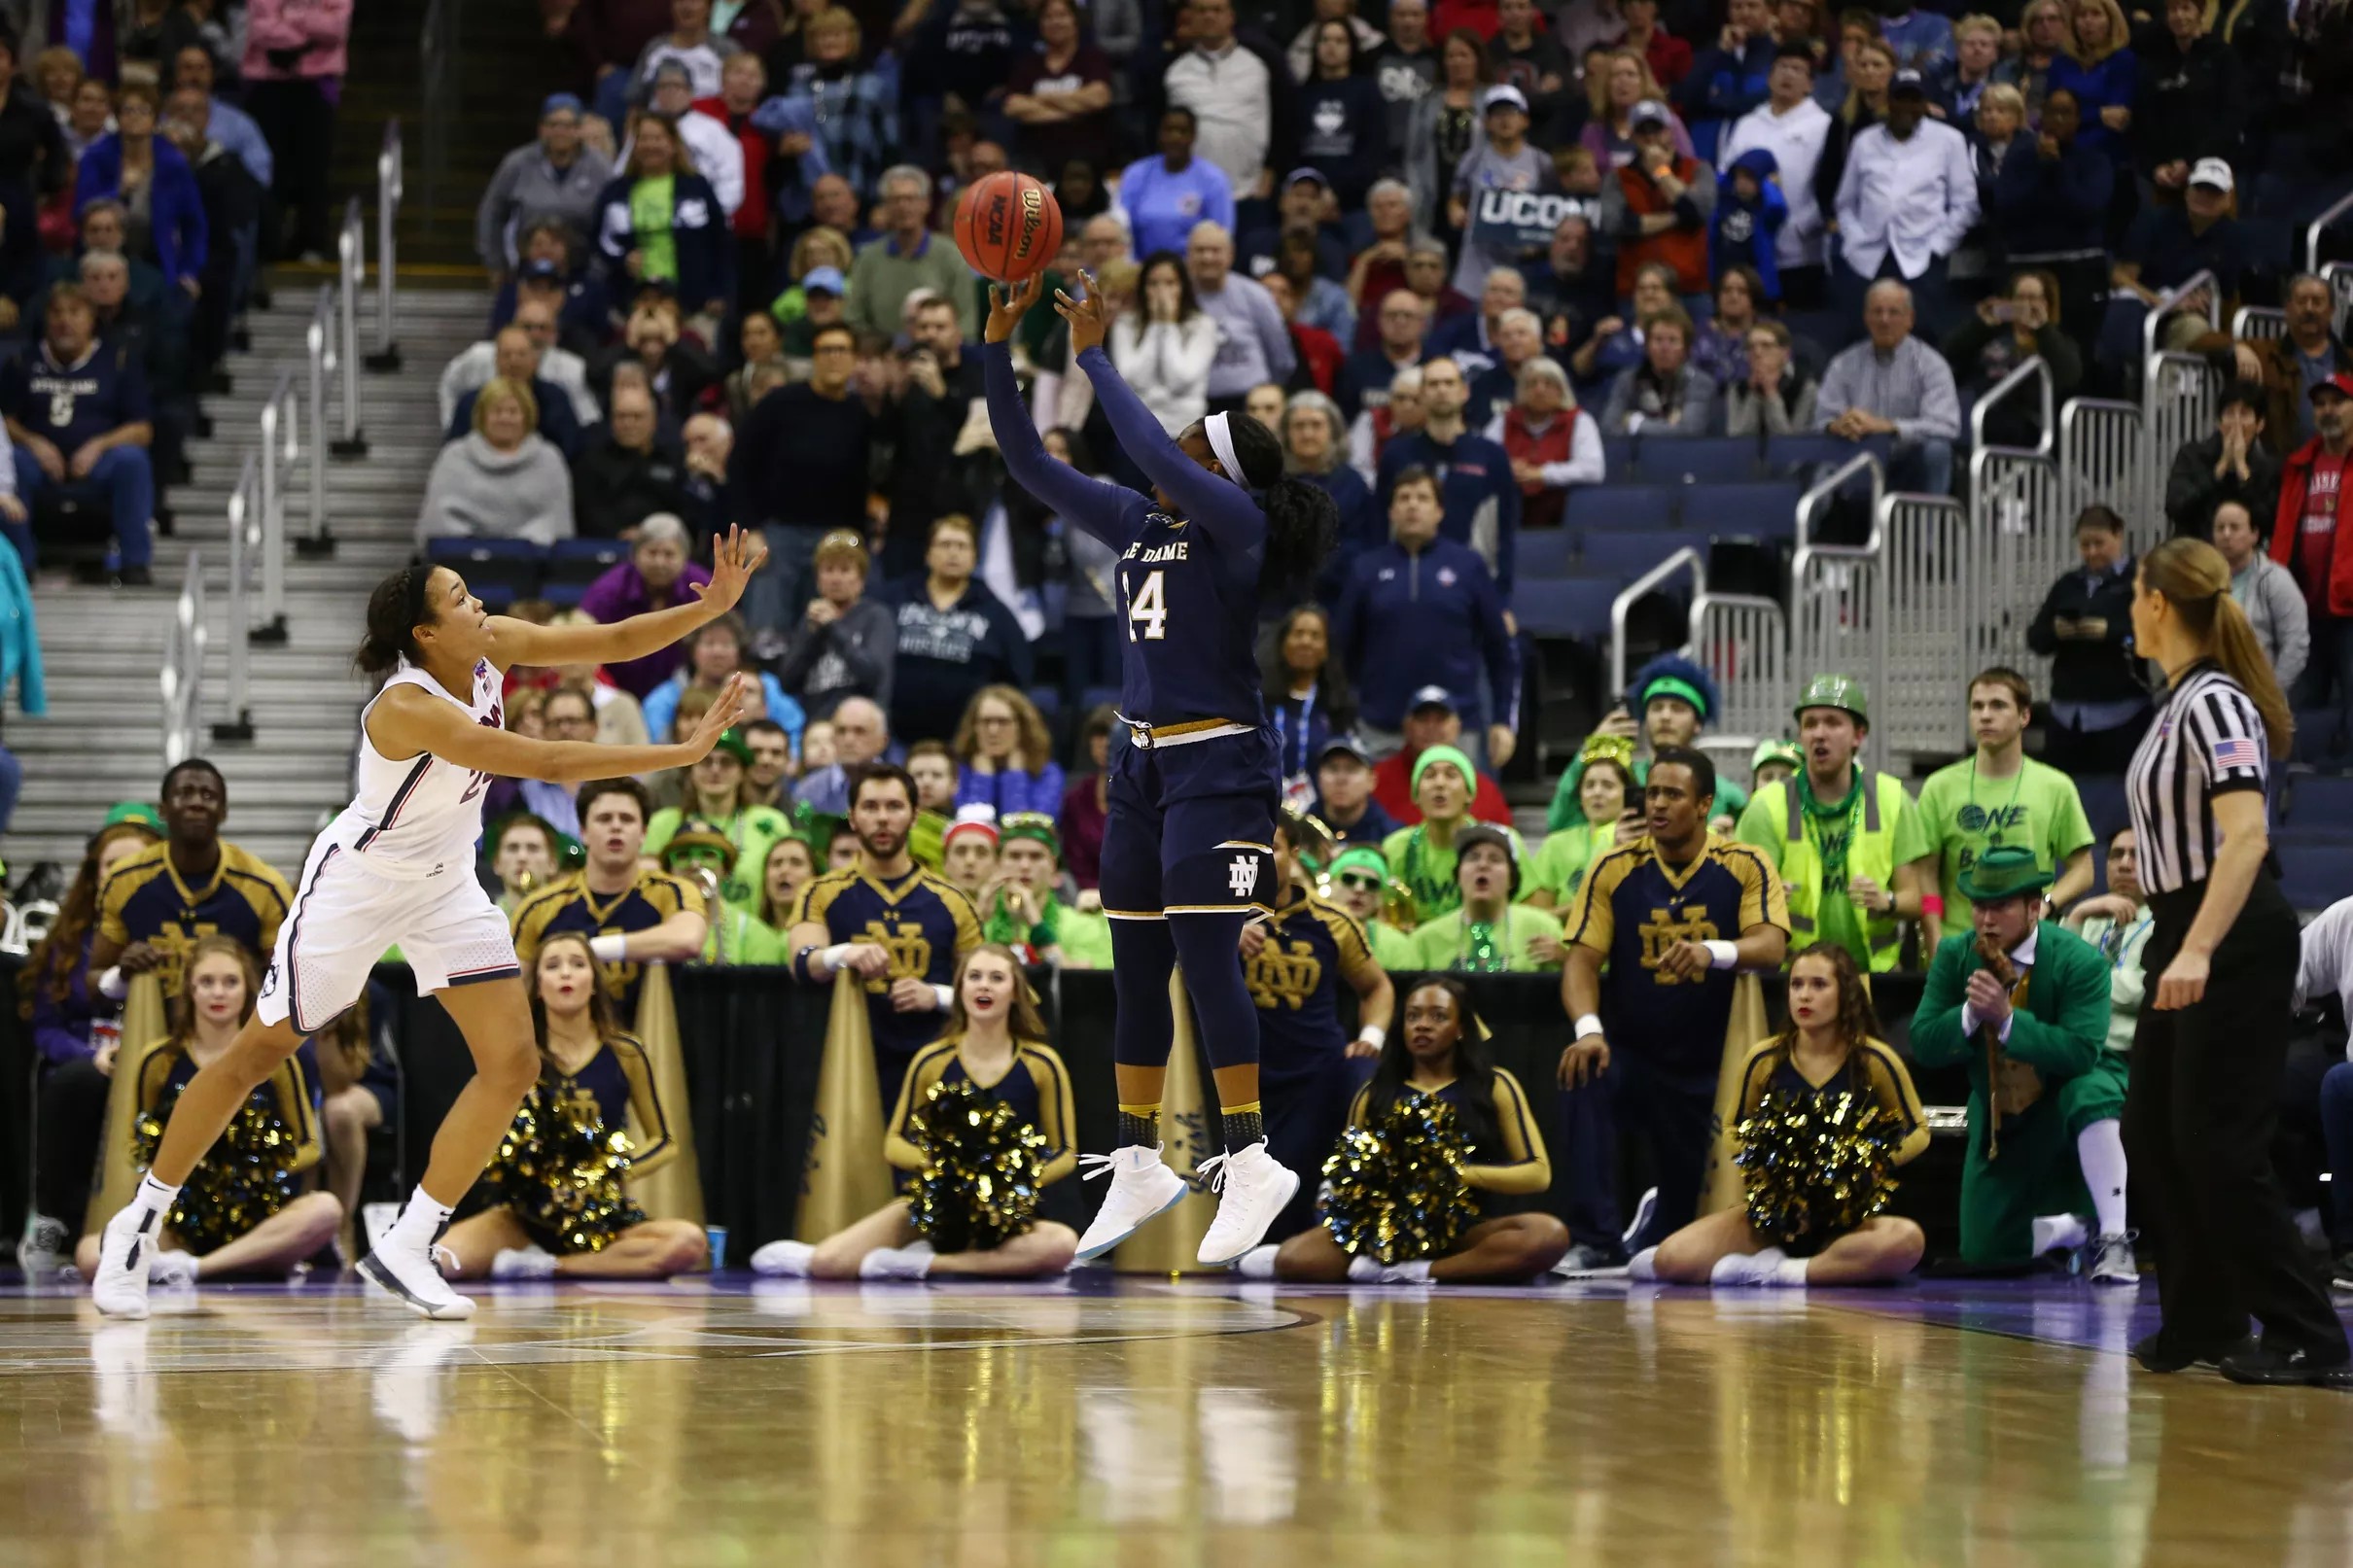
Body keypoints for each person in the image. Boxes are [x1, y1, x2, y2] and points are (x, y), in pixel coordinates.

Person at [89, 535, 759, 1321]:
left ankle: (409, 1240)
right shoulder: (406, 706)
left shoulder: (492, 647)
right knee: (257, 1053)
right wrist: (678, 751)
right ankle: (136, 1224)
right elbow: (543, 763)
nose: (479, 602)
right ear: (425, 635)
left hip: (447, 882)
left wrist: (708, 607)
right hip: (360, 886)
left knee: (512, 1063)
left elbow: (611, 640)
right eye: (460, 597)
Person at [984, 267, 1344, 1268]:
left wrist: (1095, 353)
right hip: (1136, 766)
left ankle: (1250, 1152)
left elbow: (1145, 444)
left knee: (1202, 956)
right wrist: (996, 346)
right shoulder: (1140, 524)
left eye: (1191, 442)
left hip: (1219, 768)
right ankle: (1139, 1155)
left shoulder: (1238, 527)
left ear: (1217, 467)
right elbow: (1026, 460)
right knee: (1135, 967)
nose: (1167, 450)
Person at [2122, 538, 2352, 1384]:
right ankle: (2206, 1319)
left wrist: (2198, 947)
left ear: (2156, 602)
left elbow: (2247, 837)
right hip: (2184, 928)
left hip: (2232, 935)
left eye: (2134, 594)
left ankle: (2310, 1334)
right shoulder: (2179, 700)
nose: (2128, 608)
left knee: (2218, 1143)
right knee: (2150, 1128)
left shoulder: (2217, 703)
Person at [1558, 747, 1791, 1272]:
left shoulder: (1744, 863)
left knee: (1680, 1230)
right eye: (1652, 793)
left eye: (1673, 794)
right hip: (1635, 1055)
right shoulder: (1615, 867)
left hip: (1714, 1067)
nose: (1657, 804)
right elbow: (1581, 963)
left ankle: (1659, 1214)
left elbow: (1772, 945)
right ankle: (1594, 1236)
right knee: (1581, 1069)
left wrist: (1714, 952)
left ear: (1705, 803)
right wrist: (1589, 1029)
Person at [753, 943, 1080, 1280]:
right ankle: (815, 1255)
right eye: (974, 977)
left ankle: (922, 1264)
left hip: (1007, 1211)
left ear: (1015, 993)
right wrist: (950, 1174)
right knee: (828, 1265)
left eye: (997, 978)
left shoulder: (1042, 1063)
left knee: (1062, 1244)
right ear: (960, 989)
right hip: (933, 1204)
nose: (984, 985)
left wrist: (1008, 1183)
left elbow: (1067, 1151)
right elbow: (893, 1143)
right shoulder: (932, 1060)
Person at [1909, 846, 2134, 1282]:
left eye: (2000, 907)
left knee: (2094, 1087)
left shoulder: (2080, 961)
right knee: (1983, 1251)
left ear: (2034, 909)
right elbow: (1924, 1043)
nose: (1986, 919)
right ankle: (2074, 1229)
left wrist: (2009, 1021)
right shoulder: (1956, 956)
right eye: (1978, 906)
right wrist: (1972, 1015)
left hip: (2062, 1098)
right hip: (2000, 1114)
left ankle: (2114, 1235)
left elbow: (2081, 1051)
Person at [1647, 941, 1928, 1285]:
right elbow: (1734, 1126)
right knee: (1670, 1260)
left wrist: (1865, 1163)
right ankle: (1795, 1263)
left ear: (1847, 993)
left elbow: (1917, 1130)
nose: (1804, 996)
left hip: (1849, 1218)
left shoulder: (1874, 1059)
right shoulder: (1764, 1059)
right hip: (1775, 1217)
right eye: (1796, 985)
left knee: (1907, 1241)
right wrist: (1768, 1165)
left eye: (1819, 985)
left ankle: (1786, 1273)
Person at [1257, 977, 1567, 1283]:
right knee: (1296, 1260)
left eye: (1439, 1016)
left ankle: (1417, 1273)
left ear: (1461, 1028)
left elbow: (1538, 1174)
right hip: (1384, 1230)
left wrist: (1452, 1174)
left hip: (1466, 1231)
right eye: (1413, 1016)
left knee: (1546, 1236)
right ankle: (1273, 1258)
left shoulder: (1494, 1085)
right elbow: (1343, 1176)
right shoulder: (1375, 1092)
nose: (1423, 1024)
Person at [72, 936, 343, 1286]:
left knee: (325, 1210)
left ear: (248, 989)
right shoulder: (159, 1060)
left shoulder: (277, 1059)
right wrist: (182, 1175)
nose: (219, 993)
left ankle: (198, 1269)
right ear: (190, 990)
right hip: (180, 1215)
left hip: (259, 1212)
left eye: (230, 982)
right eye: (207, 982)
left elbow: (311, 1144)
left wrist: (250, 1175)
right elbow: (133, 1143)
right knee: (90, 1253)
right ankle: (236, 1264)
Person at [438, 931, 708, 1281]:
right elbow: (484, 1133)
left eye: (578, 965)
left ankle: (548, 1267)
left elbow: (664, 1140)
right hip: (525, 1217)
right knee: (439, 1260)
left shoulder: (626, 1052)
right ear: (538, 986)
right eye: (553, 966)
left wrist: (607, 1174)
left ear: (594, 981)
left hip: (600, 1217)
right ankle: (559, 1261)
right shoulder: (518, 1055)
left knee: (688, 1242)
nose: (566, 973)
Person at [788, 763, 984, 1108]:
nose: (882, 818)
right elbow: (802, 960)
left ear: (914, 816)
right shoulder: (821, 892)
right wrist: (842, 954)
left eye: (893, 807)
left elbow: (993, 995)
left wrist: (935, 995)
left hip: (933, 1074)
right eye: (870, 807)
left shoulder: (952, 901)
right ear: (852, 818)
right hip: (846, 1069)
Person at [1232, 812, 1392, 1234]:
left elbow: (1377, 988)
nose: (1261, 859)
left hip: (1312, 1074)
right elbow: (1167, 970)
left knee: (1368, 1079)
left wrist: (1372, 1036)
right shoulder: (1209, 918)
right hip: (1237, 1078)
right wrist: (1218, 936)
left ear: (1295, 853)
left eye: (1273, 848)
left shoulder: (1333, 921)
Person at [1735, 674, 1932, 974]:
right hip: (1795, 979)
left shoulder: (1892, 798)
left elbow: (1919, 900)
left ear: (1858, 735)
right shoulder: (1766, 806)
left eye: (1833, 722)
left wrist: (1886, 900)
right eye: (1810, 724)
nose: (1819, 734)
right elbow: (1739, 903)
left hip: (1874, 976)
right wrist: (1764, 902)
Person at [1332, 471, 1519, 771]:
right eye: (1404, 498)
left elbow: (1501, 652)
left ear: (1439, 511)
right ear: (1391, 511)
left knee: (1458, 816)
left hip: (1455, 728)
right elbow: (1341, 650)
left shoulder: (1468, 566)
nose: (1412, 506)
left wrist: (1502, 720)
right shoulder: (1365, 569)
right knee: (1386, 817)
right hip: (1381, 729)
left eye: (1422, 498)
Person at [1914, 667, 2097, 944]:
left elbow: (2083, 870)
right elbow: (1925, 875)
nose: (1985, 715)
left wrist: (2047, 904)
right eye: (1977, 706)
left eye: (1998, 705)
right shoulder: (1939, 787)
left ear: (2024, 716)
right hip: (1959, 944)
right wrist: (1936, 940)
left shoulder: (2055, 786)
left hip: (2030, 944)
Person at [511, 772, 715, 1013]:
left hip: (652, 1041)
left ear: (643, 834)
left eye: (627, 819)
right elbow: (513, 994)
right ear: (584, 832)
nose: (616, 827)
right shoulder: (539, 907)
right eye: (604, 819)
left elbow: (688, 939)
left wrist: (589, 950)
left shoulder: (673, 890)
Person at [91, 760, 289, 1001]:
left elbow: (286, 986)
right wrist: (120, 976)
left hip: (232, 1033)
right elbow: (93, 979)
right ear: (163, 810)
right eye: (184, 794)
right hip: (148, 1030)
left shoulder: (264, 886)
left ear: (224, 811)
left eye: (208, 795)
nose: (196, 803)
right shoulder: (124, 879)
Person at [1, 285, 155, 580]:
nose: (64, 321)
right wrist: (34, 442)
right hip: (39, 464)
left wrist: (99, 445)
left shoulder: (118, 361)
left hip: (99, 463)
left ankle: (135, 562)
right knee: (13, 462)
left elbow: (142, 429)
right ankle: (21, 567)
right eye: (57, 313)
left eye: (74, 312)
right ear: (46, 319)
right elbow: (3, 421)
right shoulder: (23, 363)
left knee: (132, 460)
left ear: (91, 319)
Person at [731, 322, 877, 631]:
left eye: (842, 350)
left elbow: (865, 479)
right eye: (826, 350)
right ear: (814, 358)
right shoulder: (780, 403)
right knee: (766, 632)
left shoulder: (860, 413)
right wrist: (751, 528)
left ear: (854, 359)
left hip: (836, 539)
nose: (834, 358)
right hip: (778, 536)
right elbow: (740, 464)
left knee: (824, 629)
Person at [1830, 69, 1975, 335]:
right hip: (1868, 257)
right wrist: (1853, 239)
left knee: (1922, 337)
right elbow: (1845, 202)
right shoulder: (1865, 141)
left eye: (1914, 100)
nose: (1907, 107)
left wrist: (1938, 246)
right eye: (1900, 99)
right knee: (1863, 336)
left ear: (1925, 104)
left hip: (1922, 259)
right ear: (1889, 101)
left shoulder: (1949, 140)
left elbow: (1965, 204)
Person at [1371, 357, 1522, 599]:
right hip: (1406, 583)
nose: (1442, 390)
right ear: (1421, 394)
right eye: (1433, 384)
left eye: (1449, 383)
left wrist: (1501, 597)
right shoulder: (1396, 454)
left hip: (1471, 586)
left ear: (1464, 391)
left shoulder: (1491, 455)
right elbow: (1379, 523)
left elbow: (1505, 532)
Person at [881, 514, 1034, 749]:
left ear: (974, 557)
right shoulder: (893, 597)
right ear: (928, 554)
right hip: (893, 737)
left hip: (966, 743)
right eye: (945, 545)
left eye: (962, 546)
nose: (953, 553)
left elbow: (1019, 675)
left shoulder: (996, 612)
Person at [1553, 653, 1750, 833]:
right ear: (1644, 719)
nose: (1665, 716)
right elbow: (1559, 822)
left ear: (1697, 723)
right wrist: (1591, 747)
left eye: (1677, 708)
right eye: (1656, 708)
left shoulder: (1723, 793)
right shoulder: (1618, 780)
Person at [2027, 505, 2151, 777]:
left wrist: (2107, 631)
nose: (2092, 552)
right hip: (2066, 713)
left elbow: (2153, 632)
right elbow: (2036, 638)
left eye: (2099, 543)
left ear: (2118, 535)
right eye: (2085, 545)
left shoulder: (2139, 581)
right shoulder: (2067, 584)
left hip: (2122, 711)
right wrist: (2058, 631)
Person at [2270, 372, 2353, 759]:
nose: (2327, 411)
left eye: (2337, 402)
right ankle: (2296, 801)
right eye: (2320, 404)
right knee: (2299, 715)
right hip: (2305, 611)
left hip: (2350, 612)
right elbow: (2285, 531)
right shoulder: (2299, 465)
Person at [1815, 279, 1961, 496]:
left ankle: (1929, 527)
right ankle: (1803, 529)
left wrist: (1889, 427)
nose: (1884, 320)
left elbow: (1946, 426)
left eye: (1894, 312)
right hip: (1856, 457)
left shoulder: (1931, 364)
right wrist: (1837, 425)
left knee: (1937, 450)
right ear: (1866, 318)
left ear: (1909, 319)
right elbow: (1820, 420)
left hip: (1908, 460)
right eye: (1877, 312)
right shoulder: (1843, 363)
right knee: (1819, 461)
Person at [590, 114, 733, 331]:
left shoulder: (696, 187)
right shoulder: (615, 192)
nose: (650, 145)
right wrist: (622, 259)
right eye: (643, 139)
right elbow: (599, 240)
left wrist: (719, 292)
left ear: (673, 144)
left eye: (658, 138)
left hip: (692, 303)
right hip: (631, 304)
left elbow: (721, 243)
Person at [1717, 44, 1833, 307]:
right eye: (1782, 67)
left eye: (1797, 70)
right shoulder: (1748, 124)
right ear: (1769, 77)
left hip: (1802, 251)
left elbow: (1830, 187)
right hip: (1750, 248)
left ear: (1810, 84)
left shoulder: (1823, 126)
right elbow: (1725, 175)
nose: (1788, 75)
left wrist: (1804, 226)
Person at [415, 378, 576, 547]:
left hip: (534, 565)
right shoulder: (454, 456)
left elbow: (556, 521)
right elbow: (438, 519)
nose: (505, 418)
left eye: (513, 411)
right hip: (461, 563)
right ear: (482, 416)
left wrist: (519, 548)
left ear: (527, 416)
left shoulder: (549, 459)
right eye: (497, 411)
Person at [1382, 744, 1521, 923]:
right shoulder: (1396, 847)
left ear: (1469, 793)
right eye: (1429, 775)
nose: (1440, 783)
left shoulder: (1502, 842)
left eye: (1451, 775)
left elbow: (1527, 912)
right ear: (1416, 795)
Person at [579, 515, 715, 700]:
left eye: (669, 554)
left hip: (686, 698)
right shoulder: (607, 591)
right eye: (652, 553)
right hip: (616, 693)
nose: (660, 562)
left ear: (685, 557)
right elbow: (585, 644)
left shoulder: (703, 587)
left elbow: (722, 640)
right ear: (635, 555)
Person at [478, 93, 615, 276]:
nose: (560, 131)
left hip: (587, 270)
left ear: (579, 129)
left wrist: (605, 267)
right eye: (553, 125)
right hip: (530, 269)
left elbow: (614, 216)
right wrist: (496, 263)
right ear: (541, 129)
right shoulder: (518, 163)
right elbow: (491, 213)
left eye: (568, 125)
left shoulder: (599, 166)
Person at [1943, 271, 2080, 450]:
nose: (2026, 304)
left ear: (2046, 304)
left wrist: (2043, 330)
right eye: (2020, 297)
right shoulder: (1992, 335)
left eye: (2033, 298)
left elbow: (2070, 375)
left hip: (2024, 423)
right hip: (1979, 412)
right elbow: (1949, 355)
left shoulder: (2054, 342)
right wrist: (1980, 325)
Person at [844, 163, 976, 345]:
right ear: (885, 207)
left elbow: (966, 324)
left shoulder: (951, 256)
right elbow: (854, 318)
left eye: (910, 198)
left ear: (926, 204)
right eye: (895, 200)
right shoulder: (868, 258)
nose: (903, 206)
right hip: (884, 359)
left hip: (941, 358)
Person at [1406, 823, 1564, 971]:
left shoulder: (1543, 928)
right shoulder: (1425, 939)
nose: (1482, 865)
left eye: (1495, 859)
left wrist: (1565, 959)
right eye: (1473, 858)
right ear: (1458, 876)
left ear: (1512, 879)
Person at [776, 527, 896, 719]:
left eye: (845, 570)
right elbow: (787, 683)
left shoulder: (877, 616)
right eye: (828, 570)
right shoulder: (810, 620)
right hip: (817, 729)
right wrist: (813, 635)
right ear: (817, 580)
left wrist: (833, 628)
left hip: (860, 724)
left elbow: (874, 677)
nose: (836, 579)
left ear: (861, 579)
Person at [641, 613, 802, 750]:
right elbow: (657, 745)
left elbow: (794, 730)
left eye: (727, 644)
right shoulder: (664, 699)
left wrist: (792, 759)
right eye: (709, 643)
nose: (718, 652)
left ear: (740, 650)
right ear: (692, 650)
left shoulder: (764, 684)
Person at [1163, 0, 1274, 193]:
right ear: (1191, 18)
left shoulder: (1258, 66)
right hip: (1191, 191)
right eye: (1202, 10)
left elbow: (1285, 118)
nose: (1209, 16)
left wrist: (1272, 170)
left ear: (1231, 16)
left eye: (1217, 10)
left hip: (1249, 190)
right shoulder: (1175, 72)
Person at [2063, 825, 2154, 1058]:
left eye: (2137, 855)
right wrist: (2078, 914)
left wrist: (2078, 982)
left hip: (2126, 1052)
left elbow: (2140, 990)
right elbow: (2054, 974)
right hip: (2072, 1044)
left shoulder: (2166, 924)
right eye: (2116, 855)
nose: (2124, 864)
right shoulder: (2088, 918)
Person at [1109, 249, 1220, 435]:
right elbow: (1132, 379)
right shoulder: (1125, 324)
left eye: (1170, 283)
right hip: (1137, 430)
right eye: (1153, 284)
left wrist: (1167, 324)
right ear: (1143, 288)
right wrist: (1155, 325)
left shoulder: (1202, 325)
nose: (1162, 292)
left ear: (1183, 287)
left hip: (1185, 431)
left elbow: (1181, 379)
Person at [571, 376, 692, 541]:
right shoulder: (591, 461)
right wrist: (620, 535)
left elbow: (684, 511)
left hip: (665, 546)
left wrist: (649, 535)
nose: (628, 423)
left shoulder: (673, 460)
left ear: (654, 421)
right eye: (621, 416)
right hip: (606, 548)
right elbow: (587, 511)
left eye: (637, 416)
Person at [1528, 737, 1637, 909]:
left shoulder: (1643, 842)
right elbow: (1538, 917)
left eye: (1608, 785)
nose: (1597, 793)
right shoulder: (1555, 845)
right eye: (1589, 785)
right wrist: (1584, 905)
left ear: (1629, 794)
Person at [1118, 107, 1237, 261]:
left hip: (1194, 273)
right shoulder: (1136, 174)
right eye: (1169, 130)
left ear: (1194, 136)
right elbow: (1121, 228)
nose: (1175, 137)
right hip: (1140, 269)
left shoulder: (1213, 179)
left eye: (1183, 131)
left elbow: (1221, 235)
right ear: (1160, 134)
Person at [2166, 383, 2280, 540]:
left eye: (2244, 414)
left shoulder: (2270, 468)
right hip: (2194, 551)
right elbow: (2175, 508)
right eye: (2229, 414)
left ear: (2259, 424)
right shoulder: (2192, 456)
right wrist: (2218, 471)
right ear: (2219, 422)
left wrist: (2243, 473)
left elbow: (2268, 522)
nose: (2236, 423)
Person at [2215, 500, 2307, 692]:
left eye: (2235, 527)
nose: (2226, 534)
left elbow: (2295, 643)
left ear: (2254, 535)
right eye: (2220, 528)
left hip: (2259, 693)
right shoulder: (2204, 582)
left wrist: (2271, 694)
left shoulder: (2276, 579)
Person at [953, 685, 1066, 820]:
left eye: (1003, 722)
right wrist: (982, 778)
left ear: (1022, 727)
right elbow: (968, 831)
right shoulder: (957, 771)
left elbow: (1030, 832)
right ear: (974, 727)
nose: (993, 730)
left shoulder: (1048, 773)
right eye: (985, 721)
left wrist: (1015, 777)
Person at [1600, 305, 1716, 435]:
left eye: (1673, 341)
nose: (1664, 348)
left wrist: (1635, 423)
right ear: (1647, 346)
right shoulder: (1627, 379)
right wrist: (1669, 425)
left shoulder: (1700, 383)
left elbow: (1689, 431)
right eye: (1658, 340)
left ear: (1686, 348)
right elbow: (1608, 428)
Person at [793, 695, 892, 817]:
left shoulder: (900, 787)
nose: (848, 740)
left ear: (883, 741)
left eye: (859, 731)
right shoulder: (809, 791)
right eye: (841, 731)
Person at [1312, 736, 1400, 849]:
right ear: (1319, 778)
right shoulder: (1300, 831)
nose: (1341, 779)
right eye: (1332, 769)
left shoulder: (1390, 836)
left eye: (1351, 769)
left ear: (1372, 781)